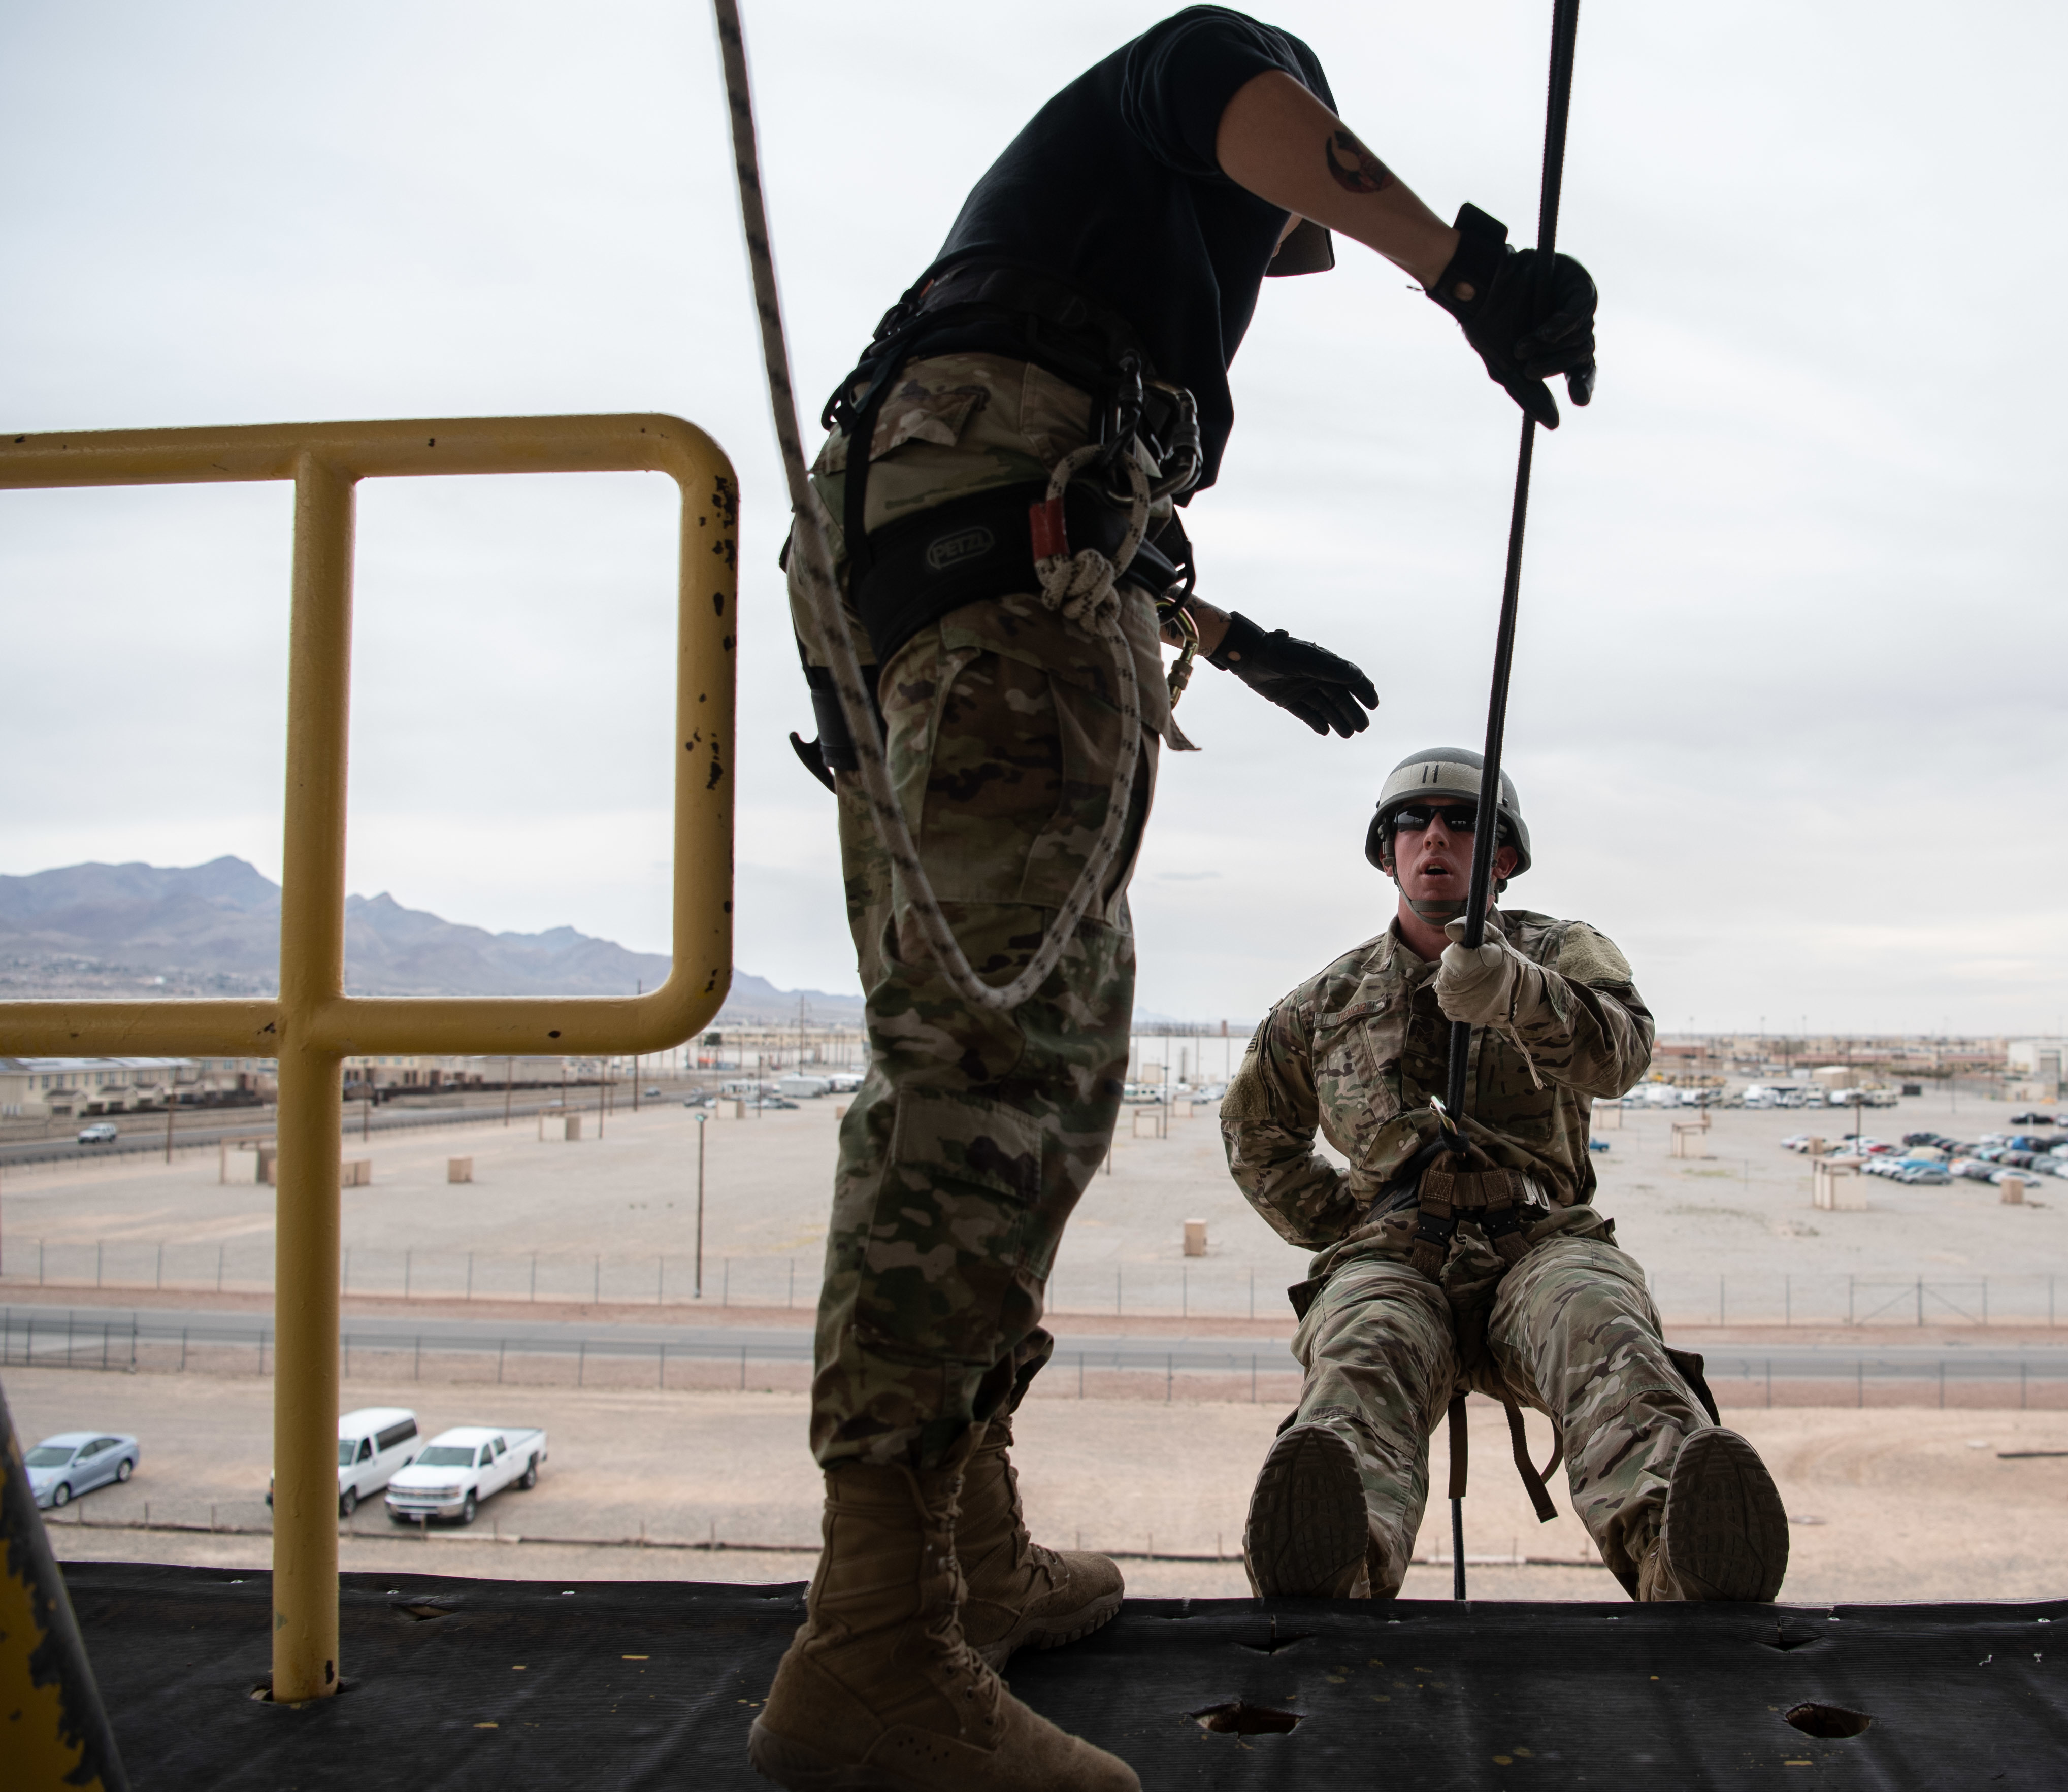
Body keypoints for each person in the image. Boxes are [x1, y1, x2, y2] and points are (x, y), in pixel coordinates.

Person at [752, 10, 1602, 1791]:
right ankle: (877, 1648)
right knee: (995, 1084)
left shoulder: (1057, 265)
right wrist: (1464, 273)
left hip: (942, 562)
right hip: (988, 571)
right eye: (1283, 223)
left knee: (991, 1063)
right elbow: (1232, 100)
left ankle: (957, 1555)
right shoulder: (1208, 72)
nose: (1283, 254)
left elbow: (1025, 494)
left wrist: (1223, 637)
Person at [1219, 747, 1790, 1605]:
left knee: (1602, 1326)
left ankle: (1683, 1559)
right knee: (1361, 1349)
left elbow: (1621, 1053)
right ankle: (1340, 1570)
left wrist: (1519, 993)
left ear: (1504, 859)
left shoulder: (1562, 951)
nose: (1437, 836)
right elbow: (1254, 1129)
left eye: (1465, 822)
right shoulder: (1324, 1003)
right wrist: (1345, 1225)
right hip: (1398, 1258)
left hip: (1539, 1247)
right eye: (1415, 822)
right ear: (1387, 853)